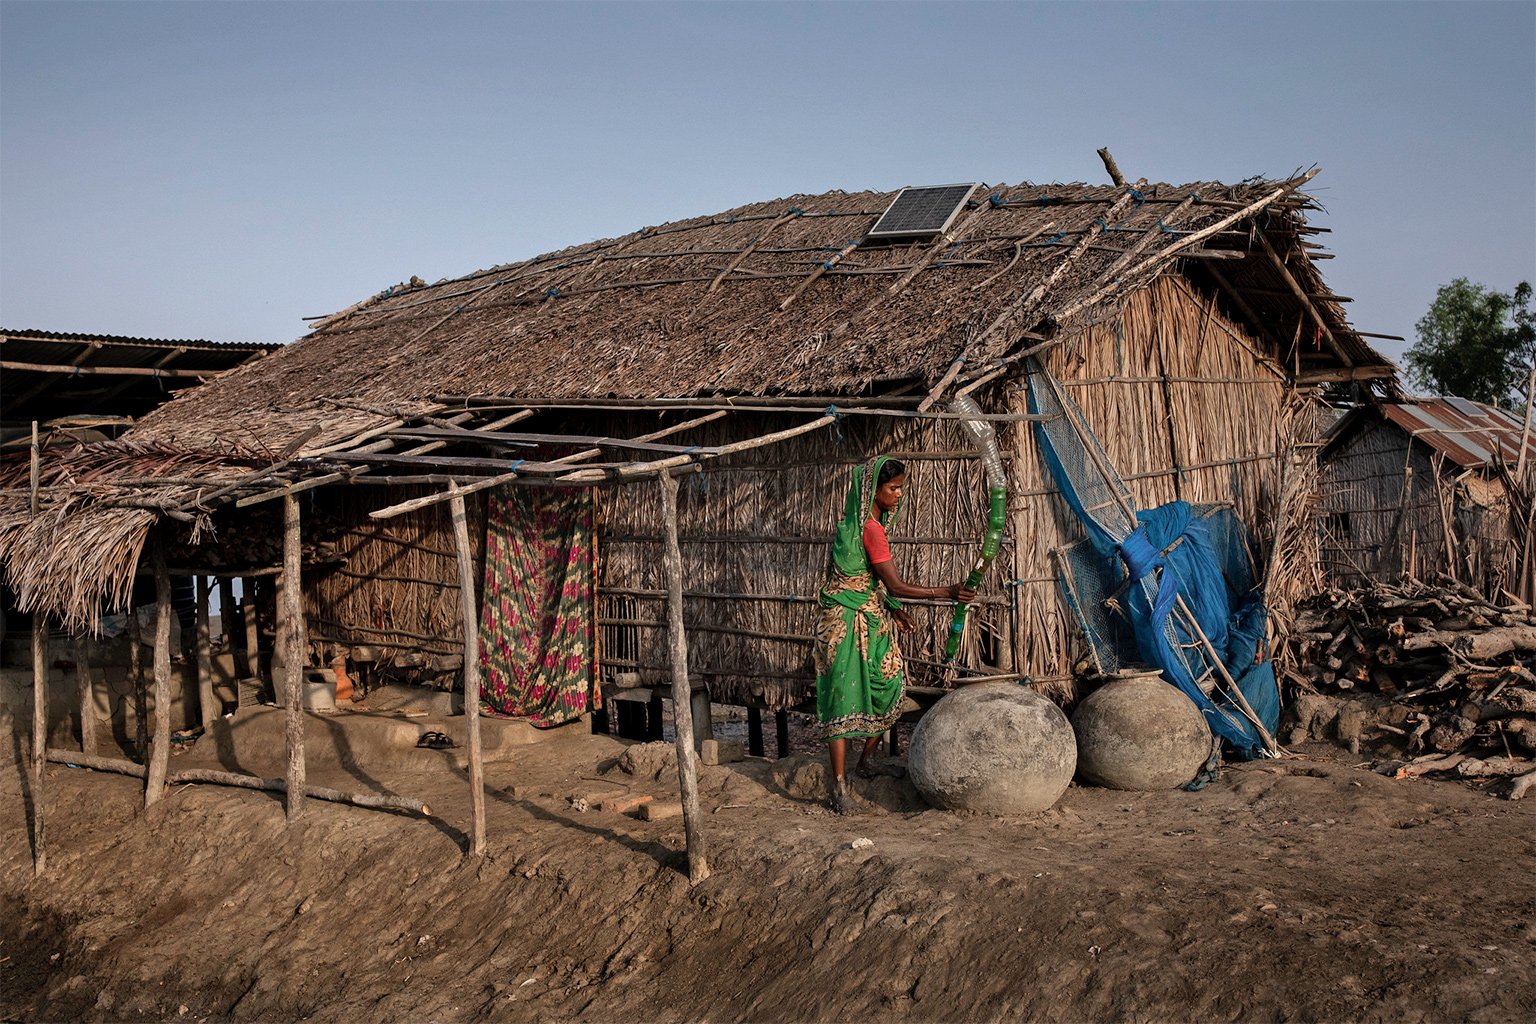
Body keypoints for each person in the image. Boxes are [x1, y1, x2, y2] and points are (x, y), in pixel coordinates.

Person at [813, 455, 975, 814]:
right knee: (846, 699)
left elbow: (859, 579)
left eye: (901, 487)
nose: (899, 494)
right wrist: (946, 592)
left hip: (841, 621)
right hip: (849, 626)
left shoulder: (849, 527)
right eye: (893, 488)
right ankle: (839, 787)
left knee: (887, 690)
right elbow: (896, 584)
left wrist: (892, 608)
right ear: (874, 489)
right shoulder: (871, 531)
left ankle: (863, 765)